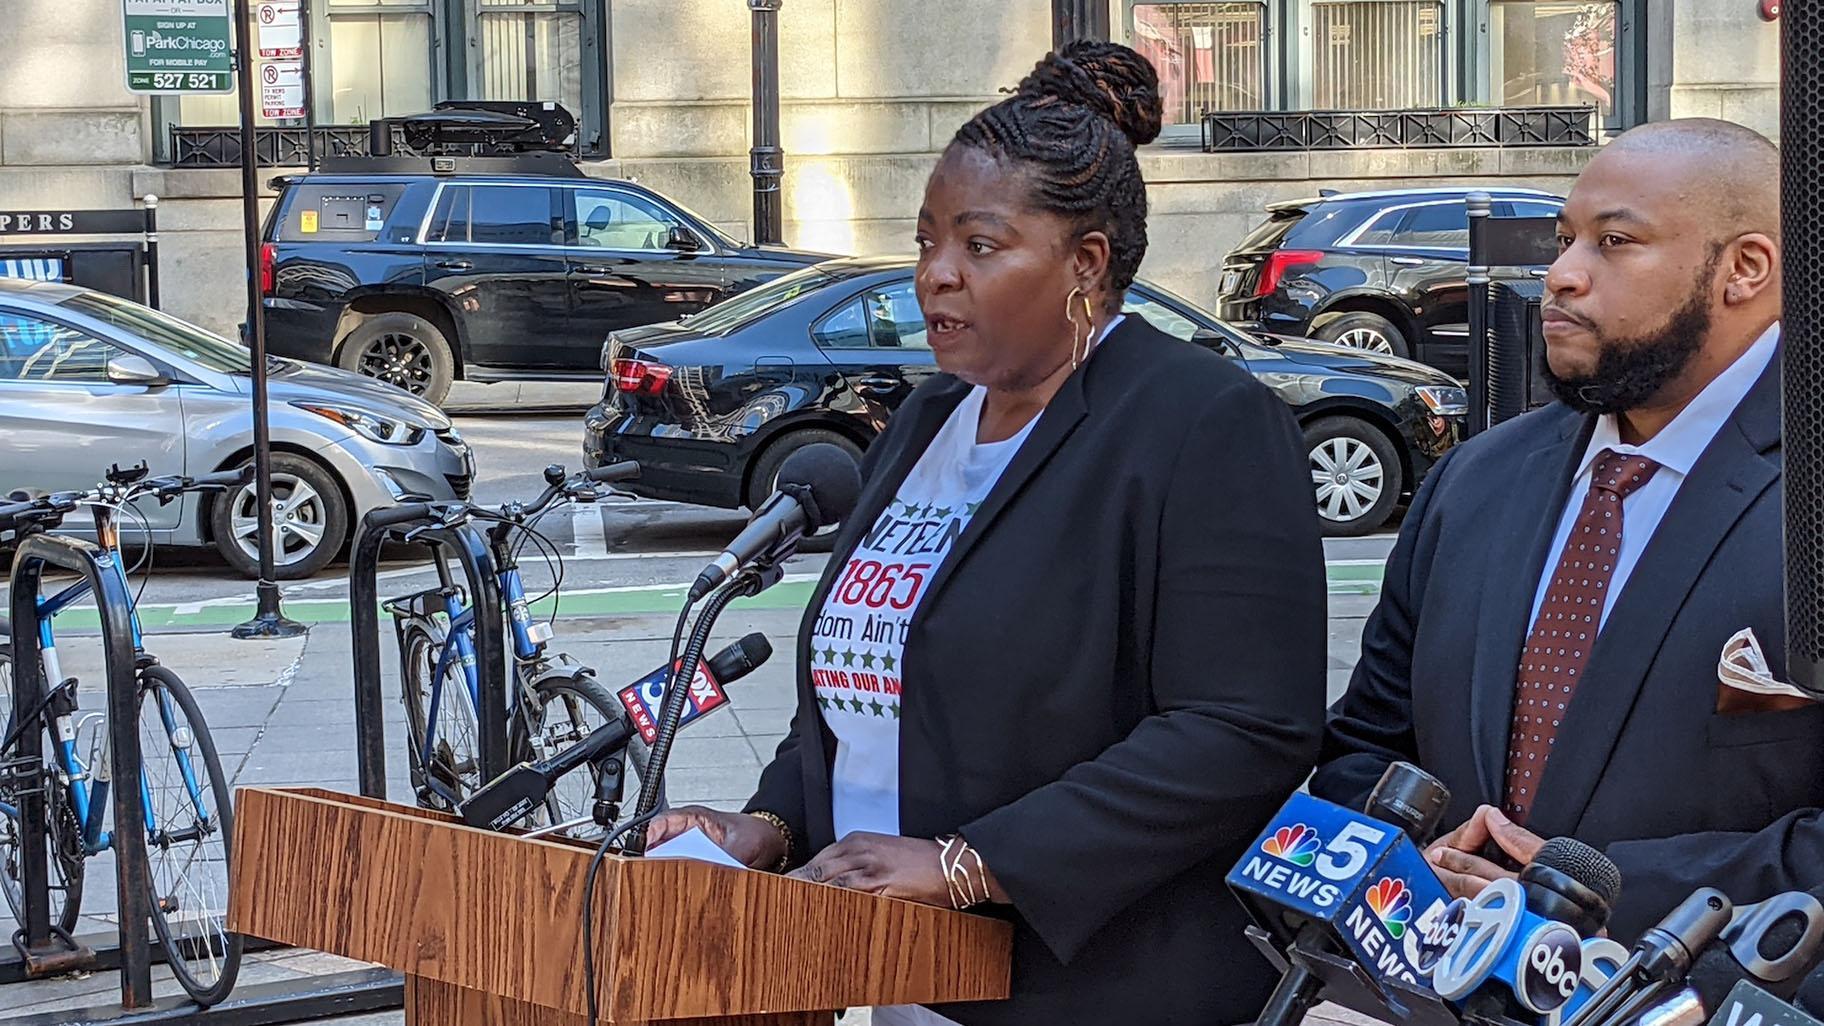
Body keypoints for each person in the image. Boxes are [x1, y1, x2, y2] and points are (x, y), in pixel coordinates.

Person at [646, 40, 1327, 1026]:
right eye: (927, 242)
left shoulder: (1203, 423)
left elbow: (1241, 730)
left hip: (1100, 986)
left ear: (1085, 265)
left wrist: (975, 865)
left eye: (980, 246)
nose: (936, 277)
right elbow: (866, 689)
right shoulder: (928, 421)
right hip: (901, 970)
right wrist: (771, 822)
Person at [1310, 118, 1824, 941]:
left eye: (1614, 242)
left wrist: (1588, 895)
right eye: (1563, 241)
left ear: (1746, 269)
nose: (1562, 277)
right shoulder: (1474, 479)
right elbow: (1364, 748)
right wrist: (1416, 863)